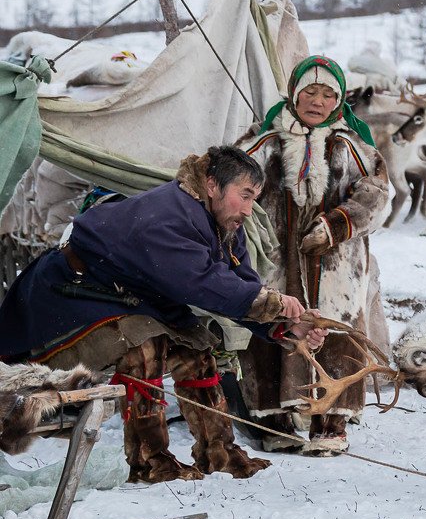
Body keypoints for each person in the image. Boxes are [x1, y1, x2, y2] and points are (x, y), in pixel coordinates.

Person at [0, 146, 327, 483]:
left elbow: (240, 287)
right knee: (145, 346)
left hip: (135, 294)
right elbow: (203, 283)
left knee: (196, 349)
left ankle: (218, 451)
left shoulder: (225, 225)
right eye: (244, 195)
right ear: (213, 184)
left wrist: (287, 326)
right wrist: (272, 303)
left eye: (253, 198)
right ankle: (150, 461)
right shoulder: (167, 214)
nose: (248, 209)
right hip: (72, 293)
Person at [236, 55, 390, 456]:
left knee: (335, 330)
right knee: (275, 324)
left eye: (327, 94)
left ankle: (331, 420)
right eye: (310, 91)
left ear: (338, 101)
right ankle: (275, 420)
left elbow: (376, 193)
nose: (317, 101)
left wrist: (336, 225)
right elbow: (228, 176)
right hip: (275, 259)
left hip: (337, 264)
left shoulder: (349, 147)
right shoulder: (264, 142)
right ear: (294, 94)